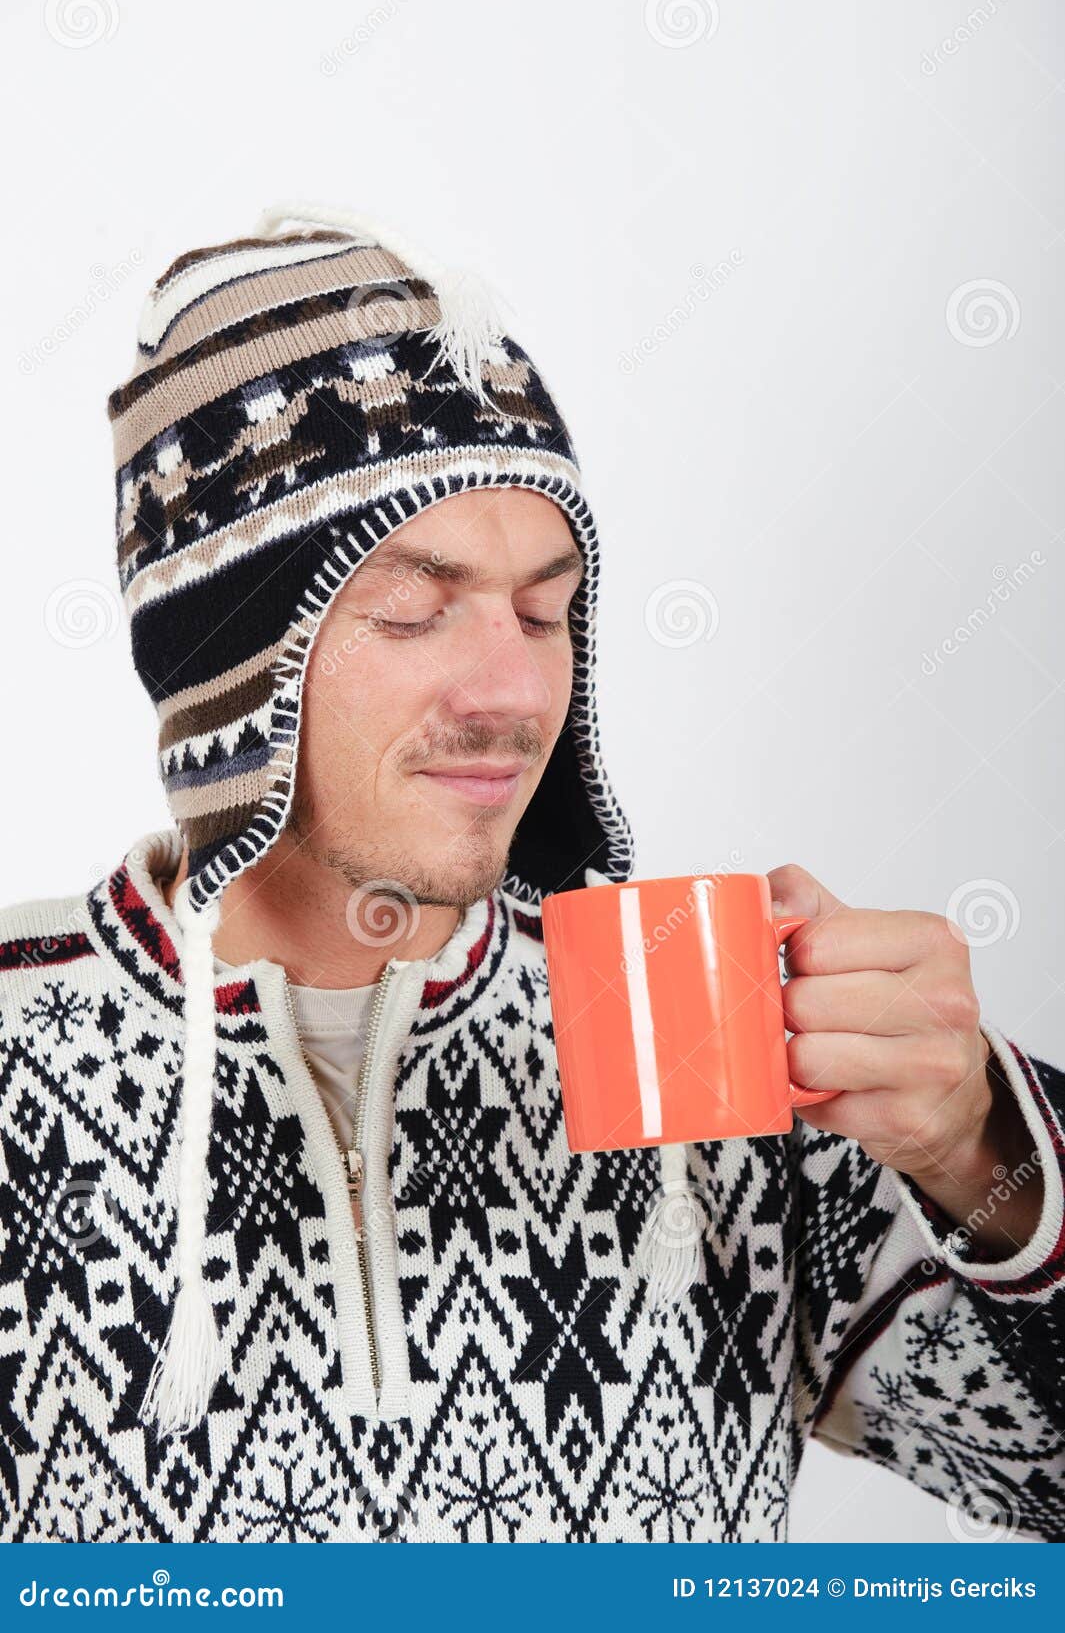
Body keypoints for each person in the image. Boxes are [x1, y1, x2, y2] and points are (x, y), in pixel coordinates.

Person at [0, 206, 1061, 1543]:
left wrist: (982, 1154)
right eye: (410, 608)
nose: (511, 690)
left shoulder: (710, 1039)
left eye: (547, 609)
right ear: (223, 662)